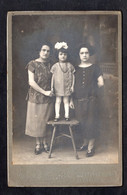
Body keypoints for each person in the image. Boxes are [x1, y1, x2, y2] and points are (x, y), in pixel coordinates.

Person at [70, 43, 104, 157]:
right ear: (79, 55)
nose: (84, 55)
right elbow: (72, 86)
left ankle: (90, 147)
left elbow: (101, 82)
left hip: (91, 101)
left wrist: (93, 90)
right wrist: (71, 100)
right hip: (78, 100)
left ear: (89, 54)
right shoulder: (75, 69)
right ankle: (85, 143)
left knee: (91, 123)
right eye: (82, 53)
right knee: (82, 123)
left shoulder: (95, 67)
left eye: (86, 53)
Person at [25, 43, 54, 155]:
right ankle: (38, 144)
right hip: (35, 96)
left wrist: (50, 92)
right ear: (39, 51)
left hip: (48, 97)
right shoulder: (32, 64)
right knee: (37, 121)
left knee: (45, 120)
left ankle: (46, 143)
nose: (46, 52)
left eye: (48, 51)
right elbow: (31, 82)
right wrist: (44, 92)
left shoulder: (51, 64)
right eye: (43, 50)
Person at [51, 42, 75, 121]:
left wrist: (72, 86)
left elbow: (73, 75)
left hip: (67, 87)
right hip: (58, 87)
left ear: (67, 55)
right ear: (57, 55)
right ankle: (57, 116)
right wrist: (52, 87)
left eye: (65, 54)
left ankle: (67, 116)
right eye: (61, 54)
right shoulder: (55, 66)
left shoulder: (70, 65)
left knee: (66, 101)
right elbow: (53, 77)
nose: (63, 56)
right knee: (58, 101)